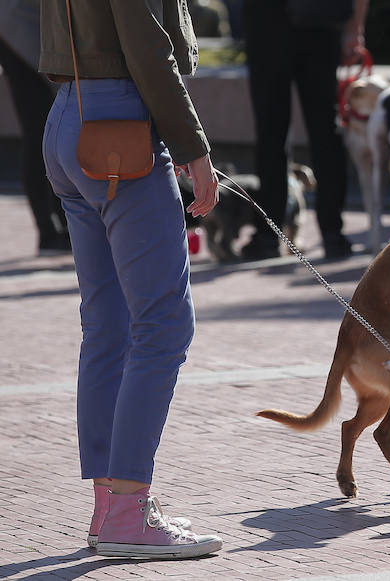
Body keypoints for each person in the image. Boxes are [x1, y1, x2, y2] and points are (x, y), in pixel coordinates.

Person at [39, 0, 223, 558]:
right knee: (163, 325)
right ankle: (126, 513)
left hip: (68, 116)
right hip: (121, 123)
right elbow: (148, 46)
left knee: (108, 328)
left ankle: (111, 509)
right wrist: (193, 147)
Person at [242, 0, 367, 260]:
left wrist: (355, 28)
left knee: (274, 133)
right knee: (324, 131)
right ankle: (332, 234)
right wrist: (355, 28)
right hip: (314, 23)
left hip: (273, 25)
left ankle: (269, 235)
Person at [0, 0, 70, 256]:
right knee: (40, 132)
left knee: (48, 131)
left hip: (21, 23)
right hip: (19, 25)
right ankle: (49, 231)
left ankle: (60, 225)